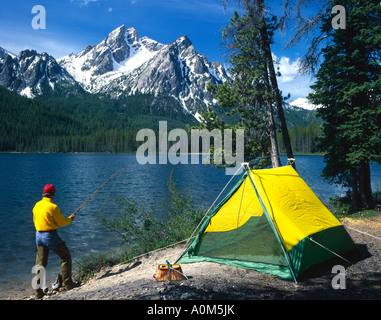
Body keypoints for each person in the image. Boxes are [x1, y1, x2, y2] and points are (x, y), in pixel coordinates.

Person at [33, 184, 79, 298]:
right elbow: (62, 223)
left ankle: (38, 293)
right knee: (65, 257)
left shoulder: (36, 205)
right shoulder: (53, 207)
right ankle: (68, 284)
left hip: (38, 236)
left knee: (40, 264)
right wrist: (70, 219)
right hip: (49, 236)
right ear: (52, 195)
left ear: (43, 194)